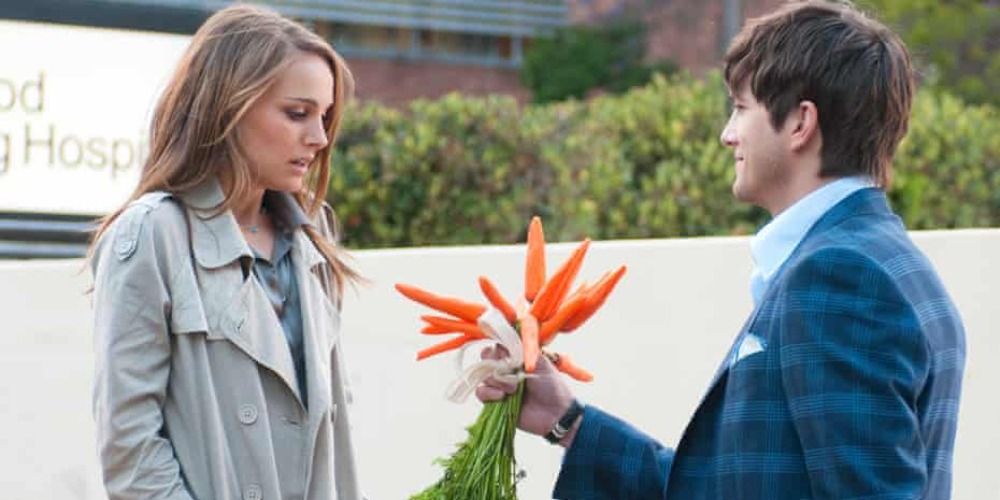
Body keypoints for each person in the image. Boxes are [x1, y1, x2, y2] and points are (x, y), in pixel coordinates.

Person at [477, 1, 966, 498]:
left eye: (741, 108)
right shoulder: (890, 264)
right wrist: (566, 420)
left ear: (801, 123)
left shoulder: (839, 276)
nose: (727, 135)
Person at [88, 5, 365, 500]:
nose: (319, 138)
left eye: (324, 117)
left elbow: (333, 443)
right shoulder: (154, 233)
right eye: (297, 114)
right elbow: (131, 450)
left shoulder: (312, 235)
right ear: (229, 107)